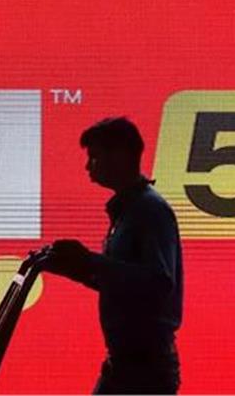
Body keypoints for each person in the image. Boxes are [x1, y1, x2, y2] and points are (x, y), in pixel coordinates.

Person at [44, 116, 183, 394]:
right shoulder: (130, 210)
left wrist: (89, 261)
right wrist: (76, 268)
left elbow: (158, 282)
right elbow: (124, 282)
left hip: (144, 369)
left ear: (119, 156)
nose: (88, 166)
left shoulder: (149, 211)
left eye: (94, 157)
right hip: (126, 364)